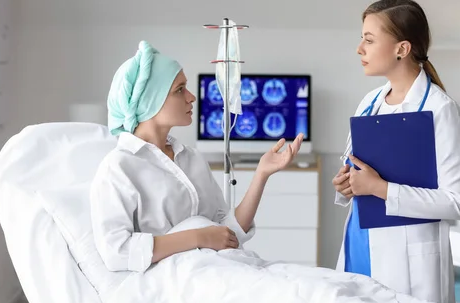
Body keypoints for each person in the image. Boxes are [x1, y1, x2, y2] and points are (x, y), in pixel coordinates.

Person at [90, 40, 303, 273]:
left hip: (222, 269)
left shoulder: (191, 158)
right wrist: (199, 237)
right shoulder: (119, 167)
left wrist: (261, 174)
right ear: (151, 101)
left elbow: (227, 234)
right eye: (179, 90)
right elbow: (116, 252)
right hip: (177, 282)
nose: (191, 97)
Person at [332, 0, 460, 303]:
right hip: (360, 243)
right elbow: (355, 175)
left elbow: (458, 202)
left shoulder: (441, 110)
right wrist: (345, 185)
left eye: (369, 40)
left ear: (402, 48)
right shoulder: (369, 102)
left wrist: (380, 188)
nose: (360, 48)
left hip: (407, 260)